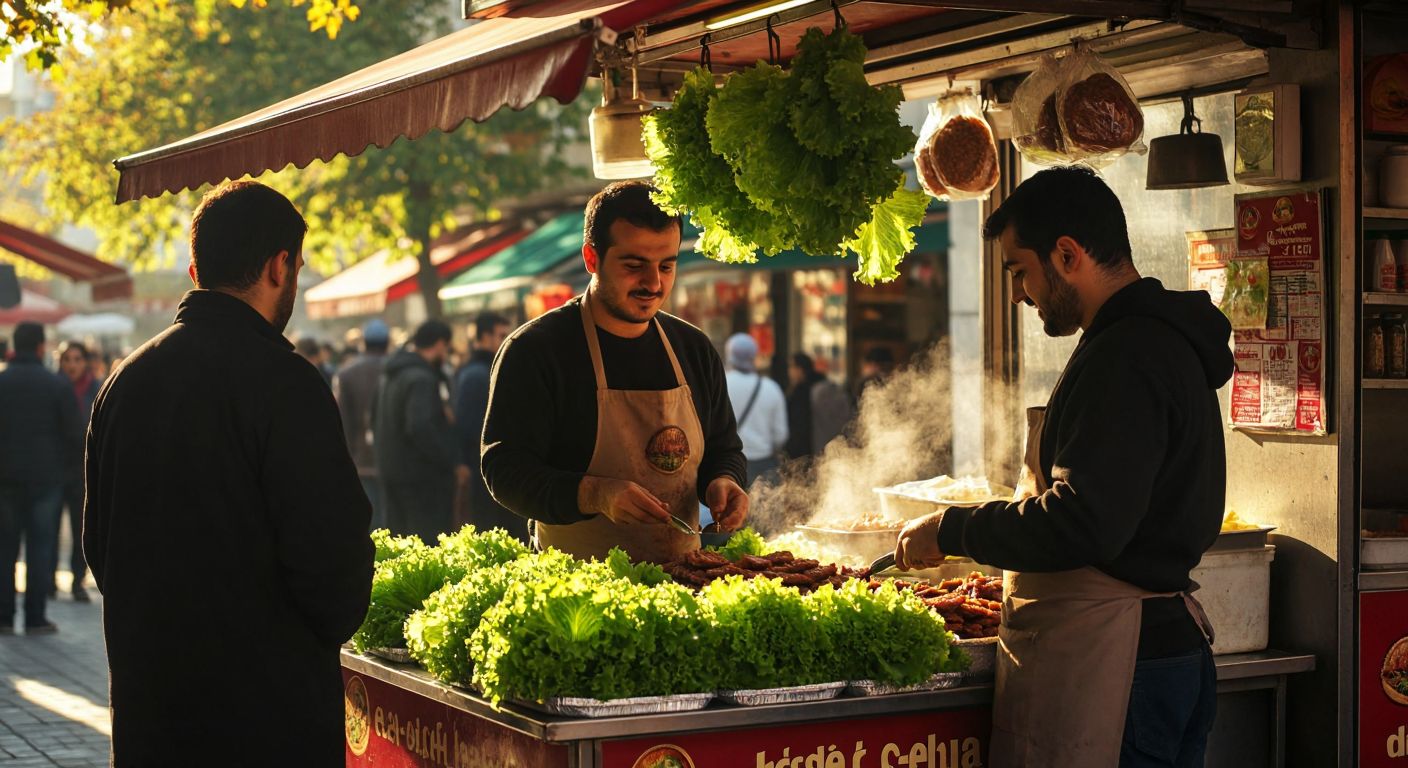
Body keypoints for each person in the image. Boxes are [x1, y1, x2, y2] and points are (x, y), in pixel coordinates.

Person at [893, 167, 1230, 768]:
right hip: (1155, 652)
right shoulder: (1146, 342)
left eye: (1021, 271)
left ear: (1067, 254)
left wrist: (952, 530)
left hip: (1123, 663)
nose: (1020, 294)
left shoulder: (1127, 355)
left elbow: (1083, 522)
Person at [83, 181, 374, 766]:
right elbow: (332, 570)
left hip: (153, 713)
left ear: (195, 269)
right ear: (280, 265)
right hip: (269, 719)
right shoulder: (287, 383)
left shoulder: (125, 381)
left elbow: (99, 547)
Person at [481, 180, 748, 563]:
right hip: (575, 588)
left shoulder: (694, 349)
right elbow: (503, 470)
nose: (653, 283)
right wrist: (594, 494)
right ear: (592, 259)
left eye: (667, 266)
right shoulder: (536, 351)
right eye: (634, 265)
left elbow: (725, 447)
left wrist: (725, 481)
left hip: (686, 579)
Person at [0, 322, 79, 634]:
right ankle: (35, 616)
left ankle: (3, 617)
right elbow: (74, 436)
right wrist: (65, 471)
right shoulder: (57, 386)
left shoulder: (2, 383)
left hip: (4, 480)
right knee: (40, 547)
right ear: (41, 347)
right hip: (46, 480)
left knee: (5, 549)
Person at [374, 320, 463, 543]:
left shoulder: (390, 375)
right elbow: (421, 426)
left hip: (392, 472)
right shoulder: (421, 379)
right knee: (425, 546)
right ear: (440, 344)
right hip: (421, 480)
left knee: (401, 546)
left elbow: (373, 417)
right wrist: (449, 461)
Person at [452, 311, 523, 540]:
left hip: (495, 470)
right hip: (487, 473)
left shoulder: (483, 370)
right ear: (484, 336)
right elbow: (471, 427)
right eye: (501, 334)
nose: (506, 339)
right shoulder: (477, 374)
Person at [53, 340, 100, 602]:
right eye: (67, 360)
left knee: (80, 527)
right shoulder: (53, 387)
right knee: (50, 529)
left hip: (84, 471)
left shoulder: (97, 388)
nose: (72, 365)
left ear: (85, 362)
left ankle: (77, 579)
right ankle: (48, 578)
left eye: (77, 359)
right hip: (56, 468)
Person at [332, 318, 391, 530]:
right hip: (392, 458)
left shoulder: (346, 373)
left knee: (370, 524)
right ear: (387, 342)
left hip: (359, 459)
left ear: (363, 343)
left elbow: (340, 420)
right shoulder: (393, 370)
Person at [723, 333, 787, 487]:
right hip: (763, 466)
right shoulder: (771, 388)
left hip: (727, 467)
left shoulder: (721, 383)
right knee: (764, 509)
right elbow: (781, 435)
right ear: (754, 357)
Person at [784, 353, 851, 460]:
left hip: (811, 452)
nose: (789, 371)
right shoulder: (825, 386)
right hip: (830, 449)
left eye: (791, 367)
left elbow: (799, 428)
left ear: (800, 369)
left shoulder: (803, 393)